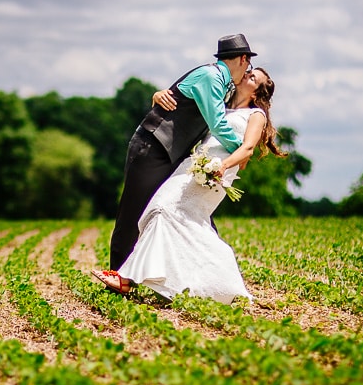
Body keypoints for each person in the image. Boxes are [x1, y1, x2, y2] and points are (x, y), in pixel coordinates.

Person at [91, 66, 284, 303]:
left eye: (253, 78)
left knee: (162, 209)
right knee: (182, 220)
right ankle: (213, 282)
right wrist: (161, 94)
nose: (247, 74)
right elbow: (189, 106)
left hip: (216, 173)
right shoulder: (220, 104)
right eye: (249, 71)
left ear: (256, 93)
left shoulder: (255, 115)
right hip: (193, 167)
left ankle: (128, 279)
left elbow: (247, 149)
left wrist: (223, 166)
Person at [106, 34, 257, 273]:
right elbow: (217, 123)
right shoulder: (211, 77)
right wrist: (240, 149)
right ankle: (116, 274)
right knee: (133, 213)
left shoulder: (222, 82)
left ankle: (210, 273)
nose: (248, 69)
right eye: (248, 64)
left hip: (173, 154)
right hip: (153, 148)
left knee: (189, 211)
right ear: (242, 58)